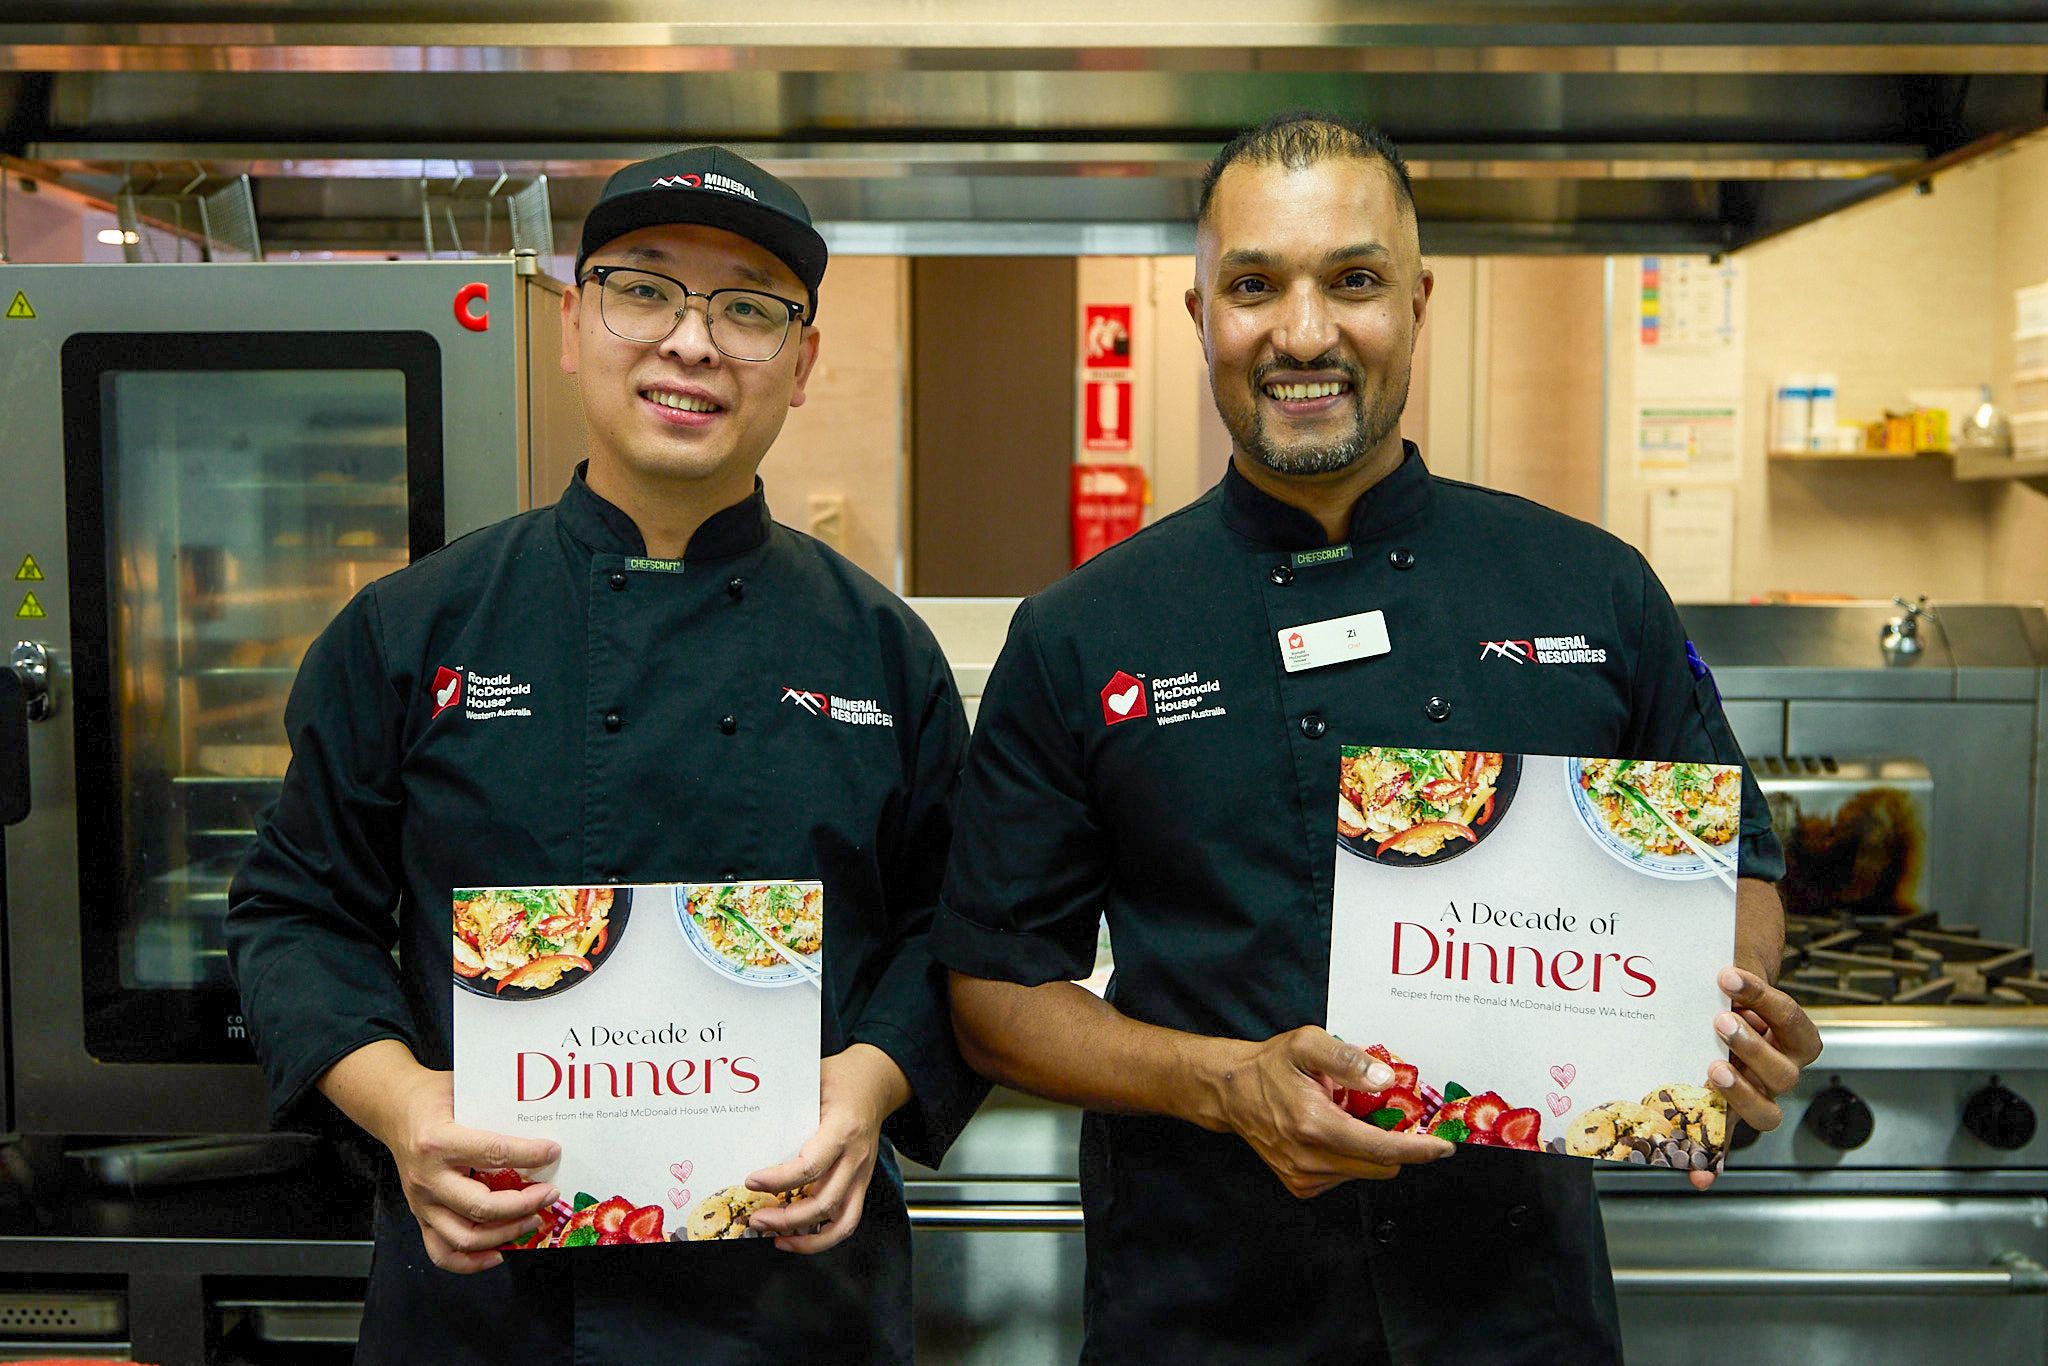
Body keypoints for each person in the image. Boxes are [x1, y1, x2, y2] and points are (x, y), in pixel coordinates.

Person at [934, 112, 1822, 1363]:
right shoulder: (1082, 631)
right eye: (1253, 286)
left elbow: (1731, 862)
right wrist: (1218, 1082)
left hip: (1517, 1310)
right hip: (1202, 1308)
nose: (1303, 333)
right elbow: (991, 993)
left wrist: (1712, 1032)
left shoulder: (1590, 588)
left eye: (1351, 280)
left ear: (1415, 302)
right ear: (1201, 316)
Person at [227, 146, 985, 1361]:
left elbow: (958, 927)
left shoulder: (881, 653)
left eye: (747, 309)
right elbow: (292, 912)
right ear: (573, 324)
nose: (691, 344)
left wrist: (871, 1082)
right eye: (643, 290)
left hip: (793, 1307)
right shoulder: (413, 629)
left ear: (801, 365)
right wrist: (406, 1102)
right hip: (484, 1299)